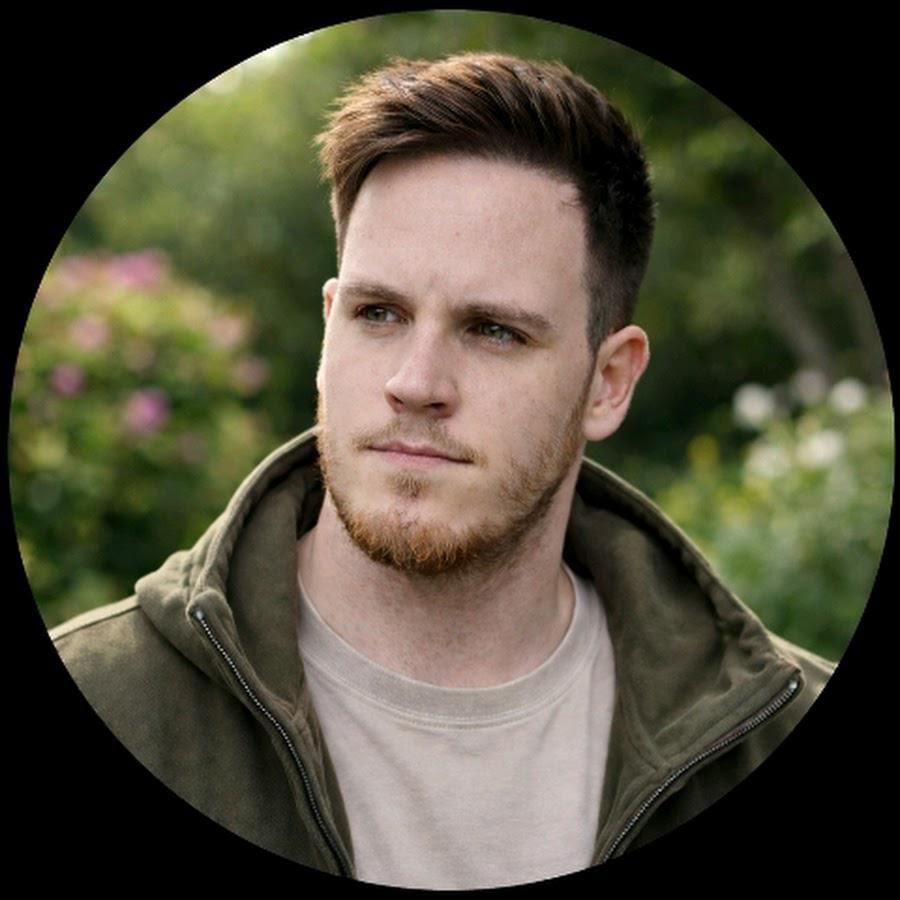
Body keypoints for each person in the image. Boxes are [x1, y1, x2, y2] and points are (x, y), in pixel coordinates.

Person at [50, 52, 833, 890]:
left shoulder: (771, 734)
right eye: (378, 313)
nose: (415, 383)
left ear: (609, 383)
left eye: (494, 330)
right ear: (329, 328)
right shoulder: (109, 701)